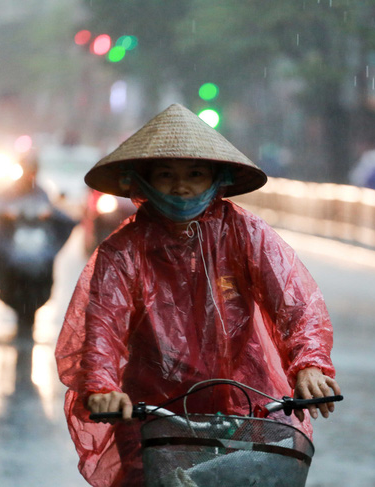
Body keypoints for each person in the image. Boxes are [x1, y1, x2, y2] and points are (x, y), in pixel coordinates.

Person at [55, 104, 340, 487]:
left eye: (194, 174)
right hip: (153, 409)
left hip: (243, 400)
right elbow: (103, 326)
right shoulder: (123, 250)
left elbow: (295, 302)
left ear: (215, 179)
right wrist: (104, 388)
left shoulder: (244, 232)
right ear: (144, 181)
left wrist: (309, 364)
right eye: (166, 175)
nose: (180, 186)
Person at [0, 152, 76, 335]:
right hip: (10, 249)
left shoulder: (42, 193)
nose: (29, 175)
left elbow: (58, 213)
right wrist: (4, 215)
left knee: (47, 264)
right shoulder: (7, 194)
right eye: (27, 171)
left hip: (38, 253)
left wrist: (51, 215)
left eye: (33, 172)